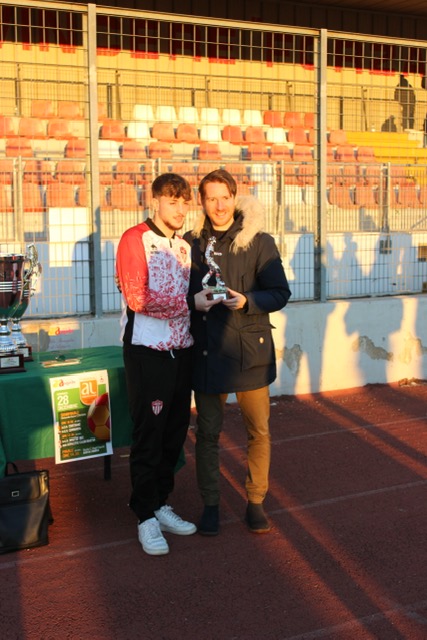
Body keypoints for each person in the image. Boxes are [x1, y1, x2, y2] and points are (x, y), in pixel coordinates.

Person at [185, 169, 292, 536]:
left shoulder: (259, 241)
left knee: (258, 432)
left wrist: (246, 300)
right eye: (211, 198)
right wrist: (194, 301)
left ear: (235, 196)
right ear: (202, 202)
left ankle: (256, 501)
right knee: (207, 435)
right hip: (207, 351)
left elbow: (280, 293)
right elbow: (179, 294)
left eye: (225, 197)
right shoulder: (190, 243)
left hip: (250, 353)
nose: (219, 206)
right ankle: (211, 504)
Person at [116, 173, 213, 556]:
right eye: (172, 201)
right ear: (154, 200)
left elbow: (191, 294)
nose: (180, 209)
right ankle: (144, 515)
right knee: (149, 435)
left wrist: (213, 295)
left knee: (174, 434)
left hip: (182, 350)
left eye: (185, 202)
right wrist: (191, 303)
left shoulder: (184, 247)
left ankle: (159, 503)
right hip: (147, 352)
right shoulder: (134, 238)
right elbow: (137, 298)